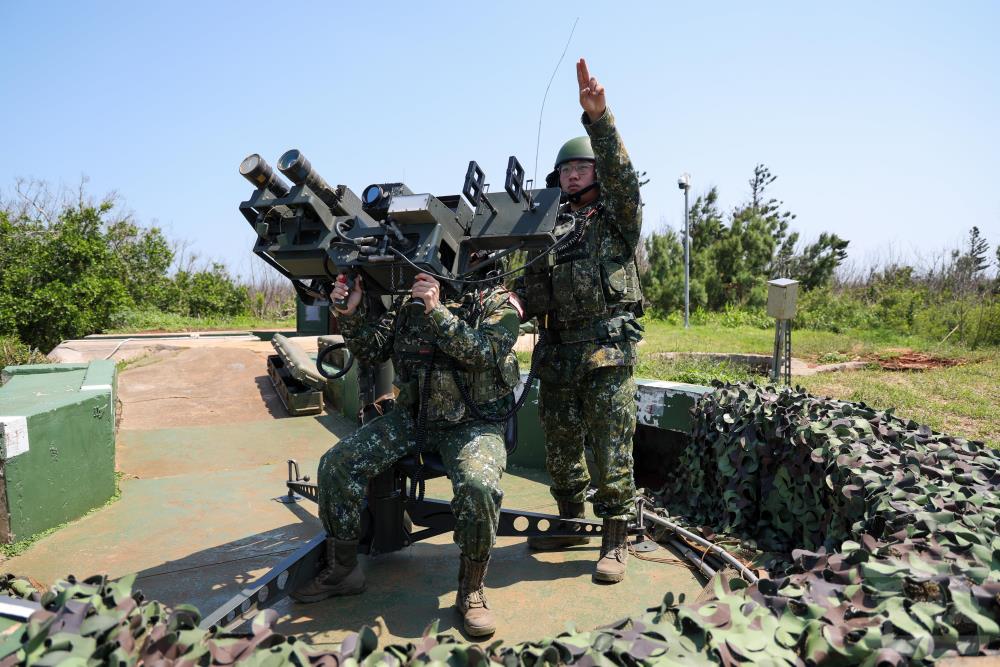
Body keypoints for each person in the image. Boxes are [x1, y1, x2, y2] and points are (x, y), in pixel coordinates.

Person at [290, 271, 521, 637]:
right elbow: (371, 350)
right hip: (413, 418)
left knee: (478, 486)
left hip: (473, 421)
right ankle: (343, 570)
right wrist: (348, 313)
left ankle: (471, 589)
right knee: (337, 465)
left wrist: (436, 310)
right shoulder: (406, 302)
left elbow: (484, 354)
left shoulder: (497, 301)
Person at [515, 58, 644, 584]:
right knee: (561, 444)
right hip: (559, 350)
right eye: (566, 169)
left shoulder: (617, 218)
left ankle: (615, 539)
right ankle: (570, 521)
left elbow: (623, 176)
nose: (572, 174)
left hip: (606, 350)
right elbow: (526, 288)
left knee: (611, 446)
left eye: (581, 168)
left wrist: (601, 120)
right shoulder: (549, 228)